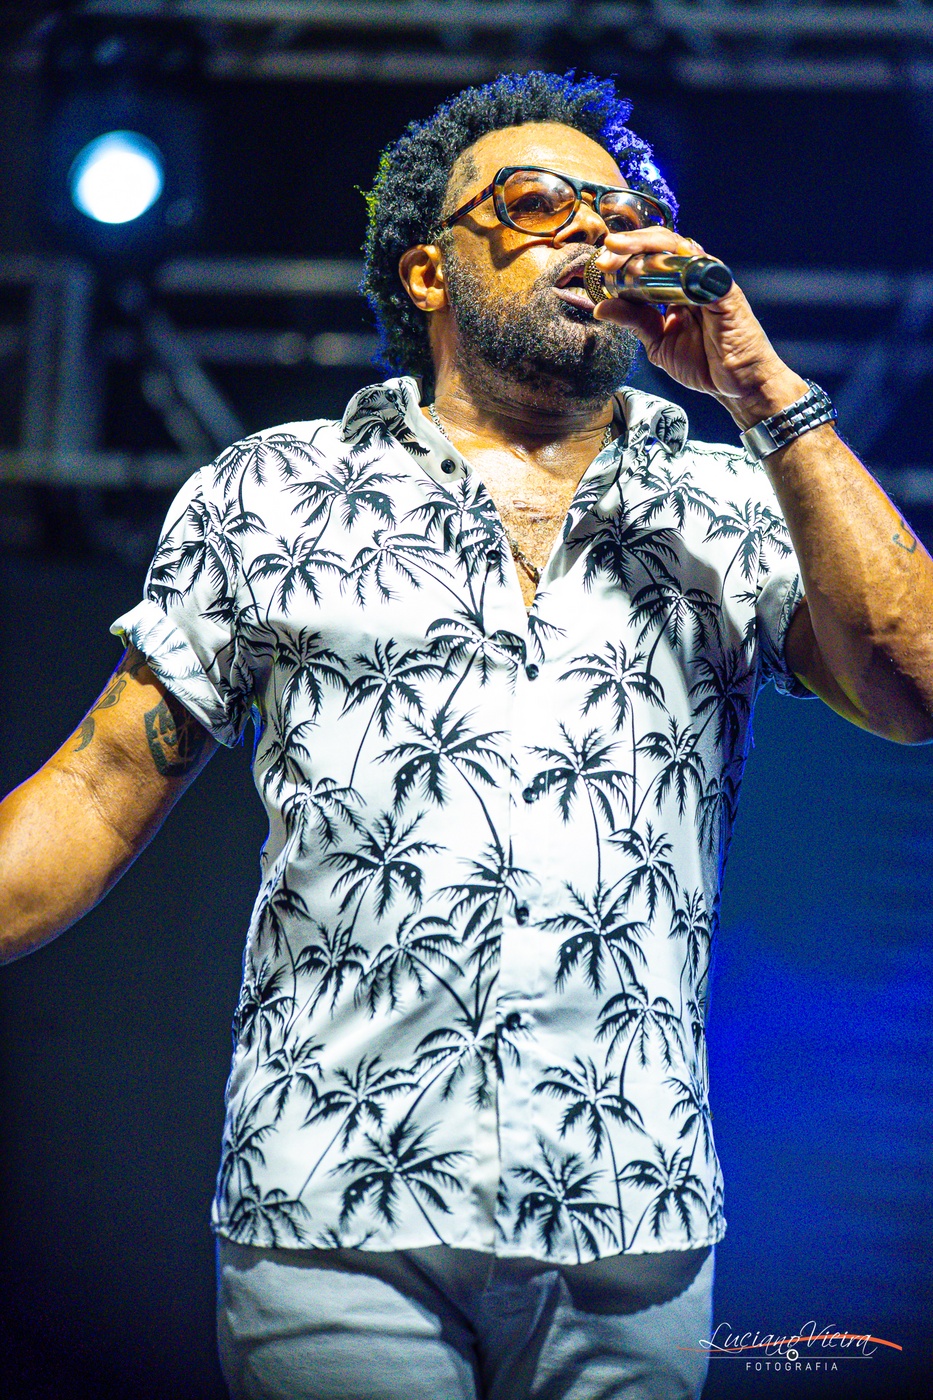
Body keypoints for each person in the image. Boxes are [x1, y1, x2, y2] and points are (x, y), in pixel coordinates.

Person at [2, 71, 932, 1400]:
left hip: (632, 1209)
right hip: (333, 1202)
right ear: (429, 270)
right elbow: (97, 790)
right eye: (539, 202)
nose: (595, 231)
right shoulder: (276, 491)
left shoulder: (726, 500)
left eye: (624, 211)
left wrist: (760, 388)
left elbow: (915, 685)